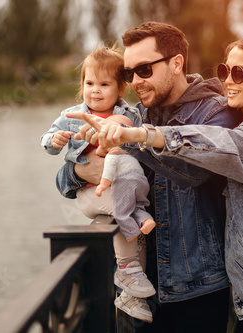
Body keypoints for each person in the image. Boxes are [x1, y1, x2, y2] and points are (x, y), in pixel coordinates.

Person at [68, 36, 243, 332]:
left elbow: (217, 145)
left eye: (240, 73)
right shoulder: (235, 120)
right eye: (225, 71)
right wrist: (81, 166)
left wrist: (140, 136)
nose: (228, 81)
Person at [57, 22, 242, 332]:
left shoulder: (215, 113)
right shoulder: (135, 114)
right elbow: (63, 182)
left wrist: (131, 141)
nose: (135, 82)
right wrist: (79, 169)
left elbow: (192, 172)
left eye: (143, 70)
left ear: (177, 63)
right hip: (137, 291)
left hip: (196, 288)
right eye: (129, 74)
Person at [40, 43, 154, 322]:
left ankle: (131, 294)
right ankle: (127, 271)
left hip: (122, 186)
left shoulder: (130, 115)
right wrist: (53, 142)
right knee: (123, 212)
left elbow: (135, 140)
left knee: (135, 222)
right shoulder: (71, 116)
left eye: (104, 84)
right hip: (93, 193)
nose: (95, 90)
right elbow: (47, 141)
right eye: (89, 83)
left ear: (120, 89)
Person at [95, 114, 157, 323]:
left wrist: (102, 186)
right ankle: (144, 221)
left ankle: (131, 236)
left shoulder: (115, 155)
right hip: (140, 185)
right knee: (136, 206)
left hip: (123, 184)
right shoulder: (133, 155)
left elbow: (106, 175)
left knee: (122, 212)